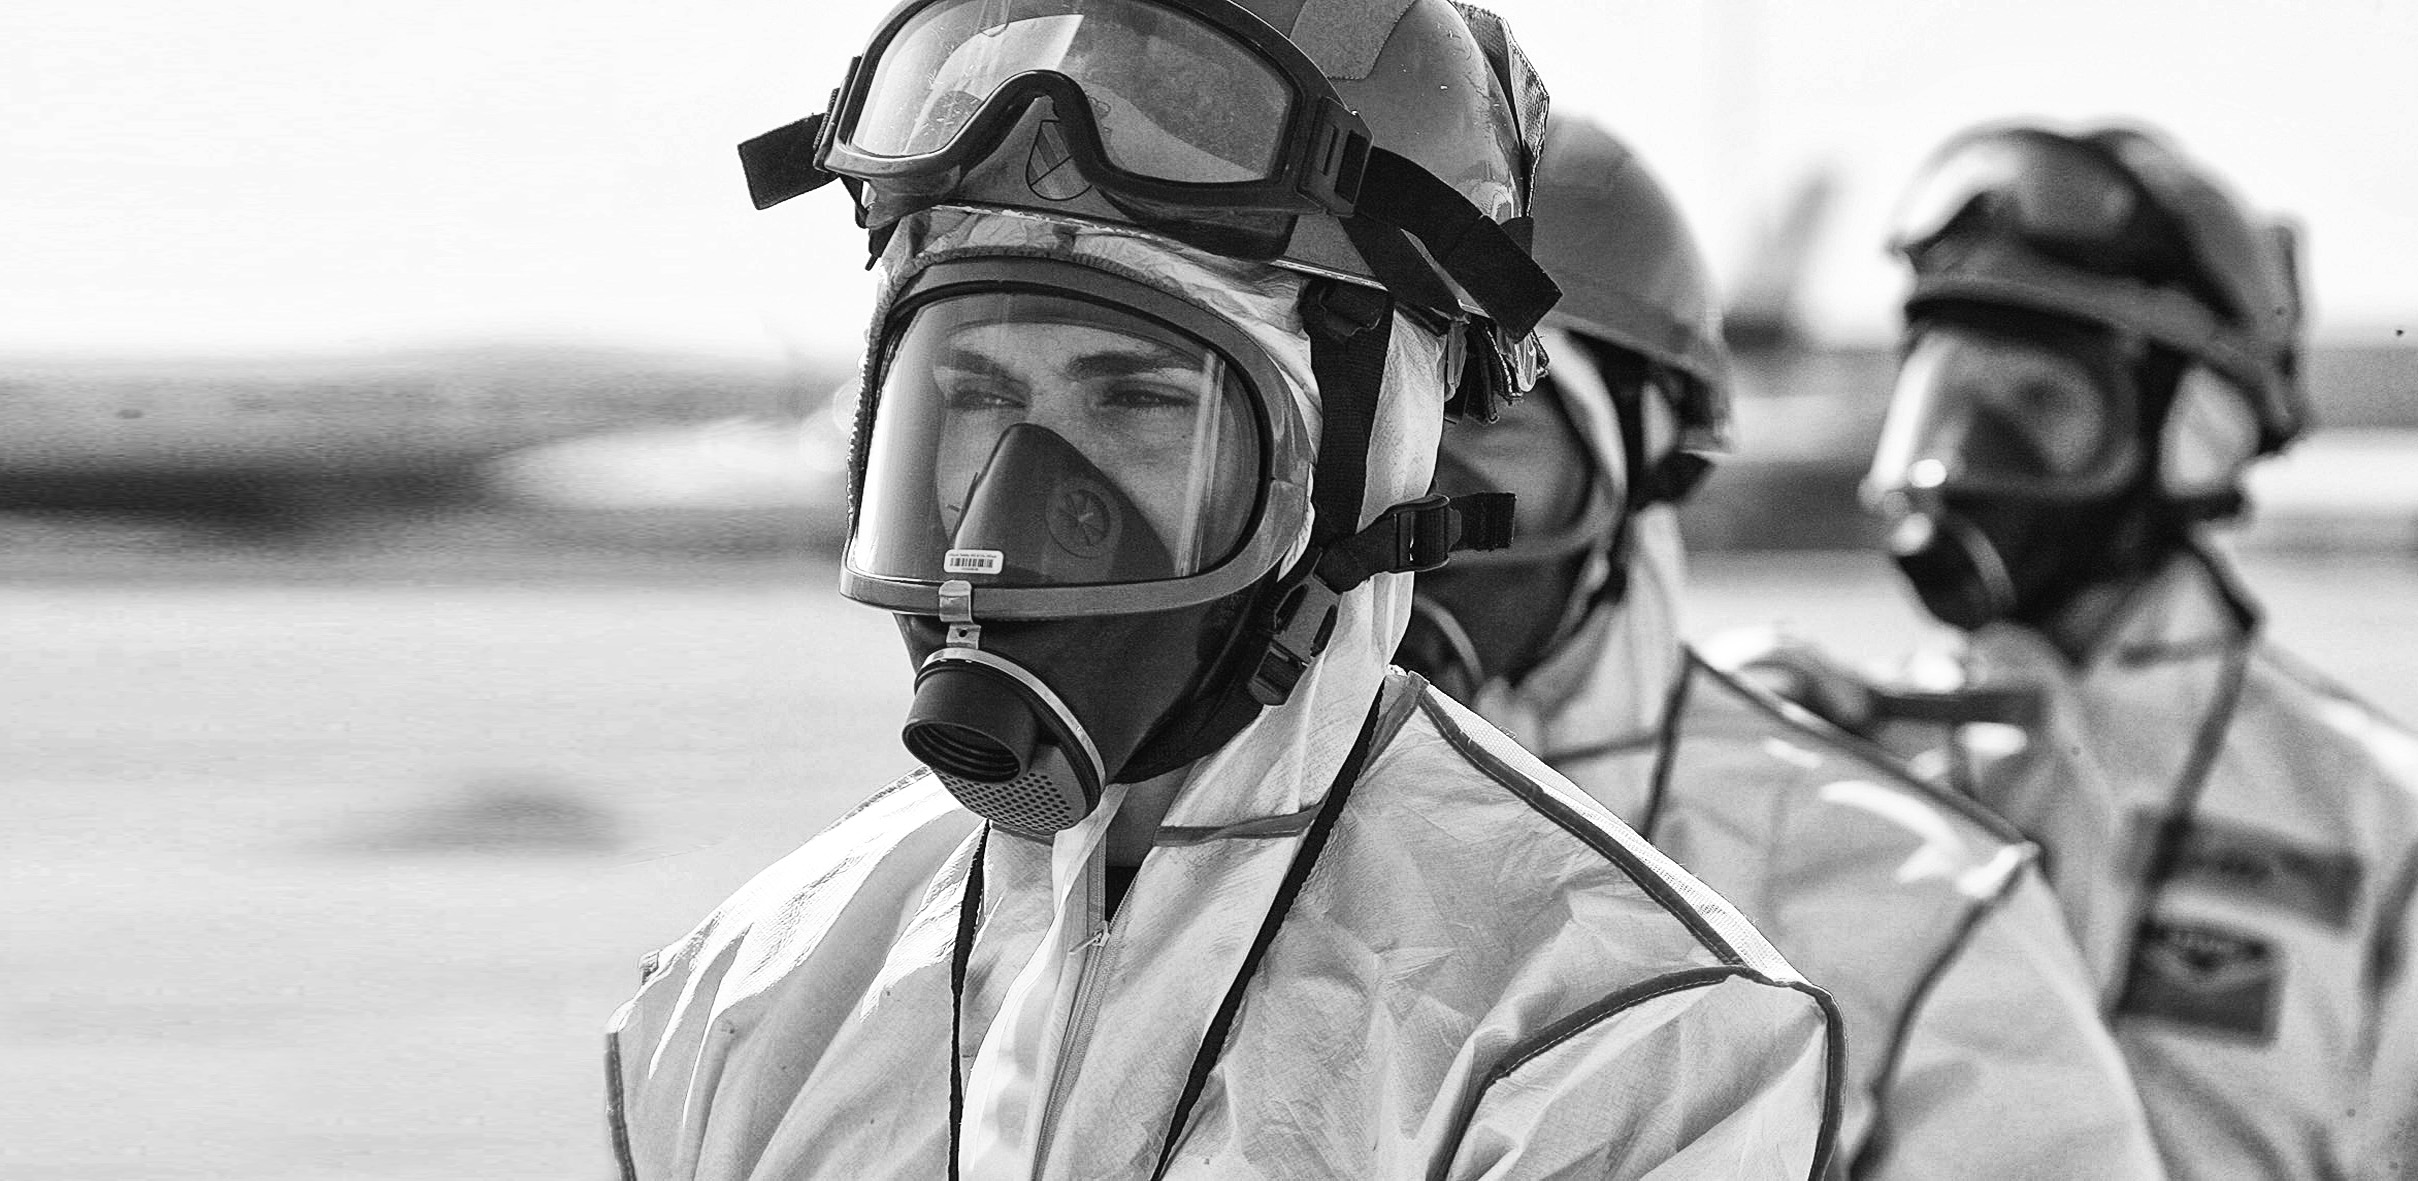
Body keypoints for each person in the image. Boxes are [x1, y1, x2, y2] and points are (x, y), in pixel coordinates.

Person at [606, 3, 1842, 1177]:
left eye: (1141, 400)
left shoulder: (1614, 1035)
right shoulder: (747, 998)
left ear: (1359, 466)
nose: (1018, 496)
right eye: (977, 394)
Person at [1395, 114, 2168, 1179]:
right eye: (1373, 414)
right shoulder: (1186, 811)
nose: (1414, 492)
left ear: (1643, 460)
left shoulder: (1908, 902)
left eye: (1487, 419)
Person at [1760, 121, 2418, 1179]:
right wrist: (1718, 762)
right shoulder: (1832, 757)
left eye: (2038, 403)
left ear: (2191, 433)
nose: (1968, 452)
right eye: (1950, 396)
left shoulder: (2373, 812)